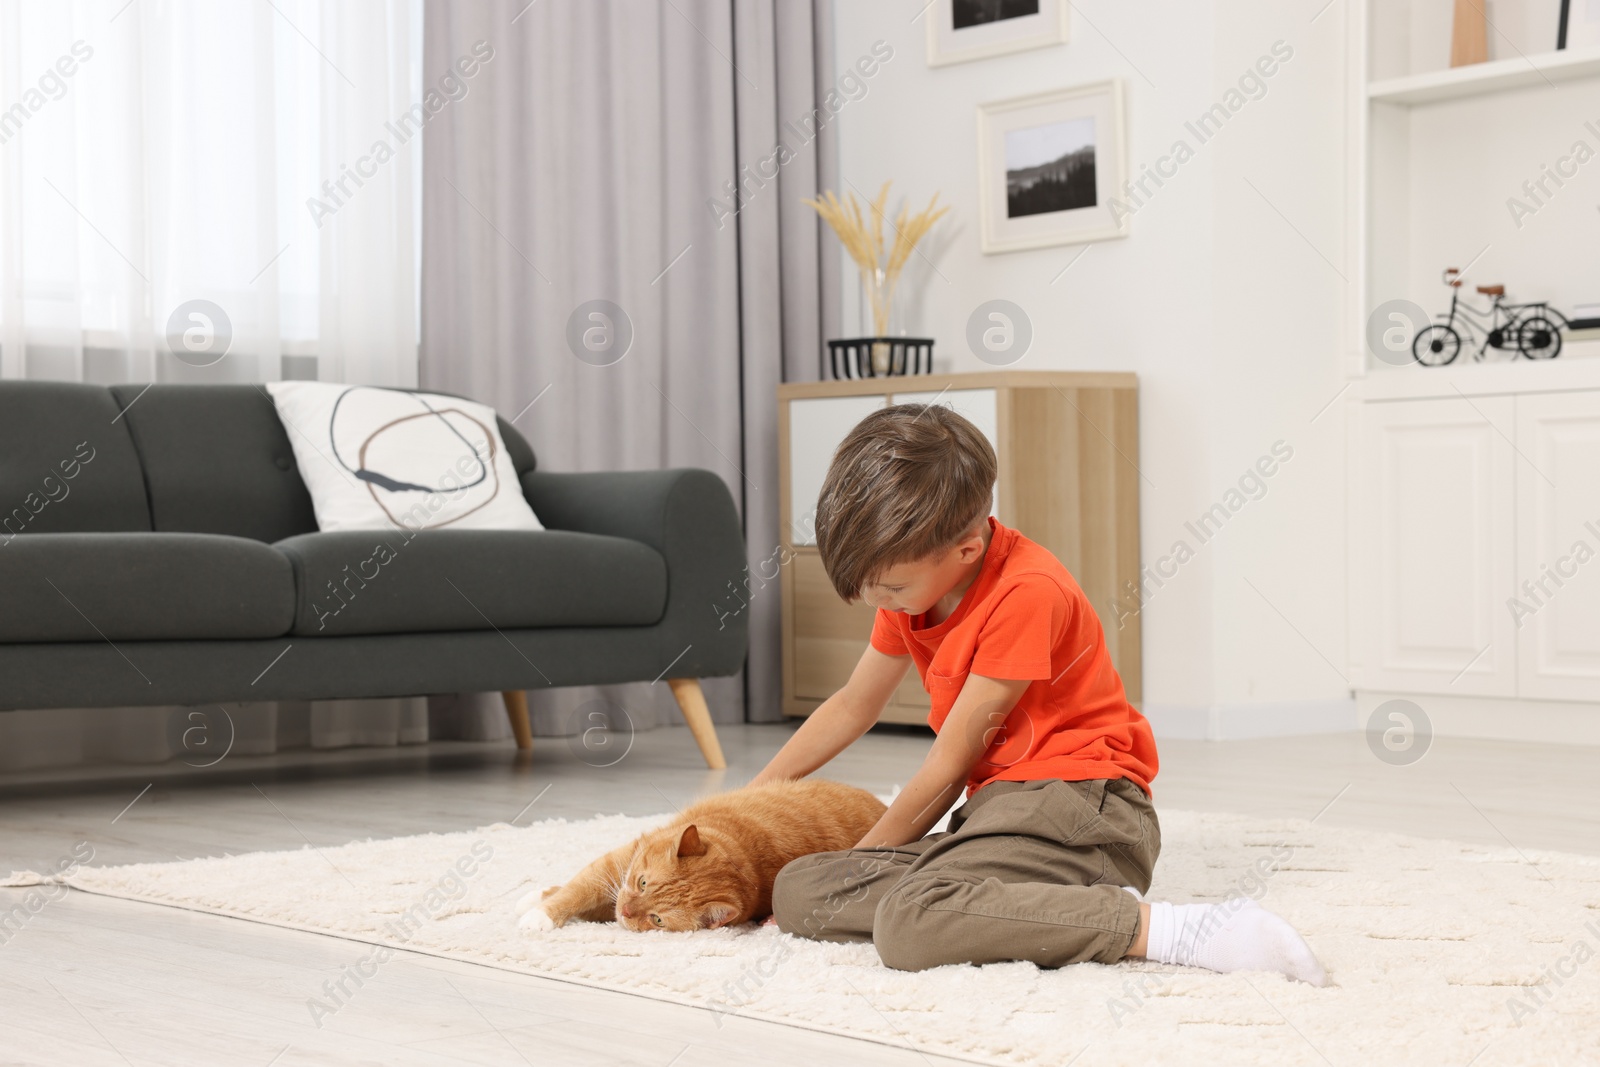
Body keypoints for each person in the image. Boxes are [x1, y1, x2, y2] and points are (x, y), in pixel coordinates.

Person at [751, 403, 1325, 985]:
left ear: (967, 550)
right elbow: (853, 703)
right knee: (800, 890)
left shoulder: (1027, 591)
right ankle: (1005, 904)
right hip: (1002, 812)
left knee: (909, 922)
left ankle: (1176, 930)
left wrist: (862, 862)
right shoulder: (914, 593)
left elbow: (949, 766)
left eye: (891, 586)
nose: (879, 602)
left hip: (1087, 807)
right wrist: (750, 803)